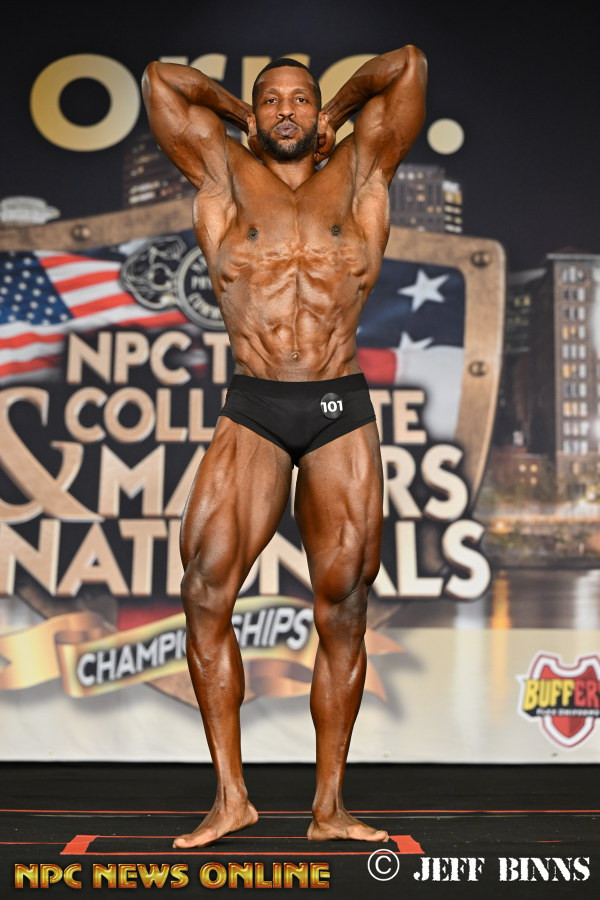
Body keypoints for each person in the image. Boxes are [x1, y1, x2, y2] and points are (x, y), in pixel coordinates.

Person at [142, 46, 427, 848]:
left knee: (345, 604)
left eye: (299, 99)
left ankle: (329, 807)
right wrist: (238, 114)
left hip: (338, 404)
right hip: (257, 404)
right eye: (272, 100)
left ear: (319, 109)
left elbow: (406, 65)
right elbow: (161, 80)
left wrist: (337, 109)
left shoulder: (362, 170)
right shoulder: (223, 173)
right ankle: (231, 797)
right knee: (206, 588)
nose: (286, 111)